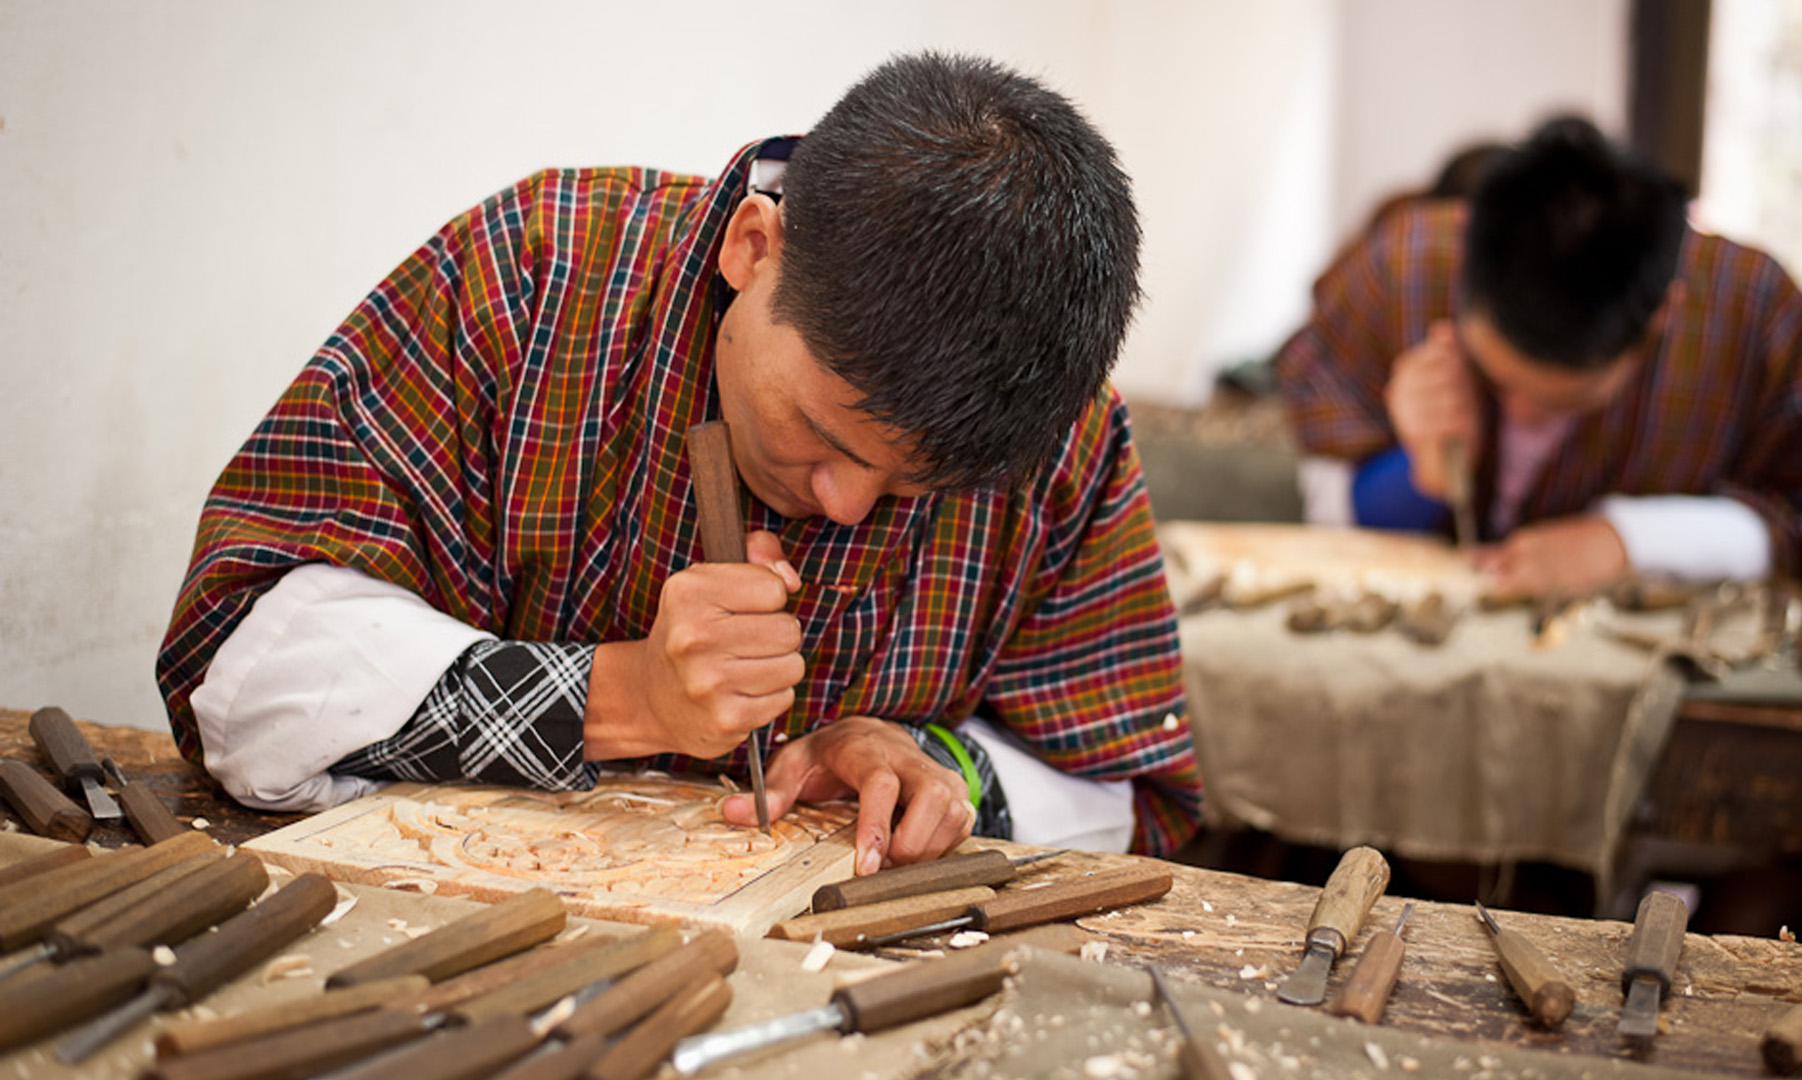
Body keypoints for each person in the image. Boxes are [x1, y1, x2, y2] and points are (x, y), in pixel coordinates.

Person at [156, 53, 1201, 874]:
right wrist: (622, 697)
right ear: (754, 247)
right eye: (829, 437)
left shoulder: (1052, 428)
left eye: (912, 485)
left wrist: (927, 765)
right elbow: (239, 679)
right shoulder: (530, 278)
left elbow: (1125, 795)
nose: (845, 508)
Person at [1275, 115, 1802, 596]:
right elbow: (1328, 515)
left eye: (1558, 400)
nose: (1523, 414)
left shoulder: (1753, 310)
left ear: (1660, 318)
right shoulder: (1404, 265)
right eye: (1497, 379)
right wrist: (1416, 472)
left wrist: (1629, 541)